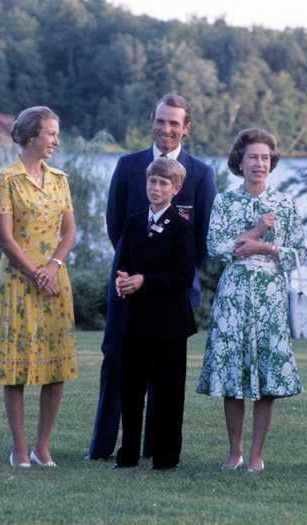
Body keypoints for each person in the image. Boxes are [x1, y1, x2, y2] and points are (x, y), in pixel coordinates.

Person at [88, 94, 216, 461]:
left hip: (173, 296)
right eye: (161, 121)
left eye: (175, 123)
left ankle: (155, 450)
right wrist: (134, 273)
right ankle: (103, 447)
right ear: (153, 122)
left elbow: (202, 240)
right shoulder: (128, 166)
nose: (167, 129)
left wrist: (162, 279)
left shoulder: (202, 174)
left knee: (166, 378)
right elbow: (116, 227)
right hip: (127, 290)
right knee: (116, 365)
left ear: (186, 128)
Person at [197, 128, 306, 473]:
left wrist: (264, 246)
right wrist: (256, 231)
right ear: (239, 162)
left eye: (265, 158)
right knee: (232, 374)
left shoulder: (285, 204)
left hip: (270, 295)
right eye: (253, 157)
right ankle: (234, 452)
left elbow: (299, 253)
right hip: (233, 295)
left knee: (267, 376)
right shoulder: (225, 201)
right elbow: (216, 248)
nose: (259, 163)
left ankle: (257, 455)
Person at [0, 106, 78, 468]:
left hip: (55, 281)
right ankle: (20, 449)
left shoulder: (60, 179)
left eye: (57, 133)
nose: (56, 140)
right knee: (18, 369)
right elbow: (4, 239)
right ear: (30, 136)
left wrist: (53, 267)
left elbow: (69, 232)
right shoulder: (4, 179)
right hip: (17, 283)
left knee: (55, 369)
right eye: (50, 133)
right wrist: (35, 273)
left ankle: (43, 446)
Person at [113, 157, 196, 471]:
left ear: (175, 189)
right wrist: (123, 280)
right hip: (135, 320)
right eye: (152, 182)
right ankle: (128, 454)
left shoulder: (182, 228)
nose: (156, 188)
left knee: (168, 393)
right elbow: (124, 261)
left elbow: (183, 277)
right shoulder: (134, 221)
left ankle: (165, 457)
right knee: (131, 390)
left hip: (169, 324)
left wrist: (145, 280)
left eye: (163, 183)